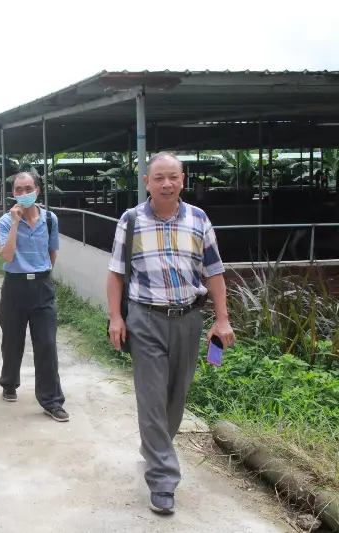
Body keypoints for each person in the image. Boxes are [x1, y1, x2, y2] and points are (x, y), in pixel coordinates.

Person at [106, 152, 235, 515]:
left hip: (188, 320)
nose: (166, 183)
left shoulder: (198, 219)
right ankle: (163, 478)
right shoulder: (131, 220)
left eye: (172, 177)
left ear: (183, 179)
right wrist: (116, 317)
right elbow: (116, 273)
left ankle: (156, 449)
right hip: (144, 320)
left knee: (175, 397)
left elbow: (214, 271)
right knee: (151, 398)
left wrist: (221, 319)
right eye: (158, 177)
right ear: (147, 182)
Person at [0, 172, 68, 422]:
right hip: (15, 287)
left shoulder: (50, 219)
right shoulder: (5, 221)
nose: (23, 193)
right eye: (18, 189)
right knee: (12, 341)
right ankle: (9, 383)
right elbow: (6, 256)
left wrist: (43, 274)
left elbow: (52, 253)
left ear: (37, 191)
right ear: (13, 193)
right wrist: (16, 222)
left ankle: (52, 400)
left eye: (28, 188)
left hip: (42, 287)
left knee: (47, 344)